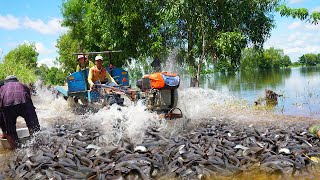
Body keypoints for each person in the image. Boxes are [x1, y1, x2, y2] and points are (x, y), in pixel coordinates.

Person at [0, 75, 40, 149]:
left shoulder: (2, 88)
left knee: (11, 131)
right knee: (34, 126)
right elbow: (30, 102)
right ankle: (36, 146)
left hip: (8, 107)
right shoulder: (23, 85)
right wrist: (33, 120)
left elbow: (1, 113)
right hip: (25, 104)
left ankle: (15, 151)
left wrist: (5, 132)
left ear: (5, 82)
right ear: (17, 81)